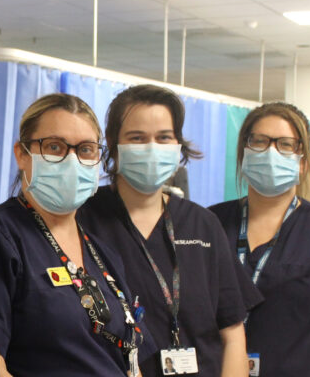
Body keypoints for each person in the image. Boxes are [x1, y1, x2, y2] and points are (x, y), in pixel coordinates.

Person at [0, 93, 155, 377]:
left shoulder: (101, 251)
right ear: (22, 154)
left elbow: (128, 355)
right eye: (55, 147)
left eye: (85, 150)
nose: (71, 160)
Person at [76, 84, 262, 377]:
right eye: (137, 138)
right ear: (113, 143)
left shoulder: (203, 225)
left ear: (178, 143)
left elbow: (232, 333)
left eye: (164, 137)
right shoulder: (83, 217)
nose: (152, 148)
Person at [209, 102, 310, 376]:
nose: (271, 152)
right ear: (243, 153)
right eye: (259, 141)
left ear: (303, 162)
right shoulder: (209, 225)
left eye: (285, 144)